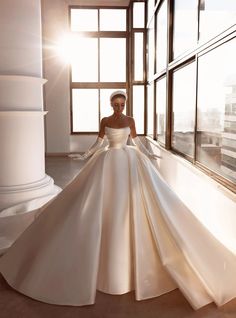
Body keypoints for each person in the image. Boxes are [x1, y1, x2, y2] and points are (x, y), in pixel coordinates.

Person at [0, 90, 236, 310]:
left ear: (125, 105)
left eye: (122, 105)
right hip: (108, 161)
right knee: (98, 202)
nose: (119, 108)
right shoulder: (105, 120)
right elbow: (100, 142)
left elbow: (134, 142)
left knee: (133, 203)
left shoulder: (130, 120)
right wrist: (86, 153)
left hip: (128, 161)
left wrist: (147, 154)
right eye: (116, 104)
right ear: (110, 105)